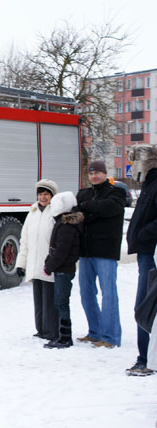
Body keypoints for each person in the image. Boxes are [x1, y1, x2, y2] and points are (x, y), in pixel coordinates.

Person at [76, 160, 126, 348]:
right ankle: (95, 332)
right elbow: (79, 210)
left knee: (108, 294)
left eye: (98, 172)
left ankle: (110, 336)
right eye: (91, 173)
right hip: (86, 252)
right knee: (86, 293)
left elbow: (109, 208)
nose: (94, 176)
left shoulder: (117, 193)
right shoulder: (85, 193)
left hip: (106, 251)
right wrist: (91, 209)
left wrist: (86, 208)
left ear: (105, 174)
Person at [125, 144, 157, 376]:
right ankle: (144, 356)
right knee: (144, 306)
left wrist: (142, 234)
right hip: (145, 254)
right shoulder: (149, 185)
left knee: (145, 307)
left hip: (152, 254)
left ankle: (145, 358)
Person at [15, 179, 59, 341]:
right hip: (35, 263)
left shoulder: (55, 212)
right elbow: (24, 240)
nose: (43, 197)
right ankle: (40, 329)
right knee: (39, 300)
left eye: (46, 194)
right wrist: (21, 263)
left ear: (52, 196)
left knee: (49, 301)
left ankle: (51, 330)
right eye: (40, 194)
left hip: (49, 264)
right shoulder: (32, 213)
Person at [42, 191, 84, 349]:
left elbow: (61, 251)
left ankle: (65, 337)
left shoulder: (66, 226)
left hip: (63, 270)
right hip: (61, 269)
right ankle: (62, 335)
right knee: (60, 302)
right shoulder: (63, 223)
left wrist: (49, 266)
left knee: (61, 302)